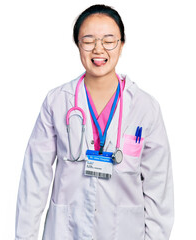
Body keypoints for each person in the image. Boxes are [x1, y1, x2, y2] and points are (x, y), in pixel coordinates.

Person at [15, 4, 174, 240]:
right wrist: (24, 236)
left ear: (121, 44)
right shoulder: (57, 102)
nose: (98, 49)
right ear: (78, 45)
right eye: (88, 40)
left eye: (109, 40)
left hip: (125, 232)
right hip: (67, 230)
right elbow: (35, 177)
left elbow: (158, 186)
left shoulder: (144, 107)